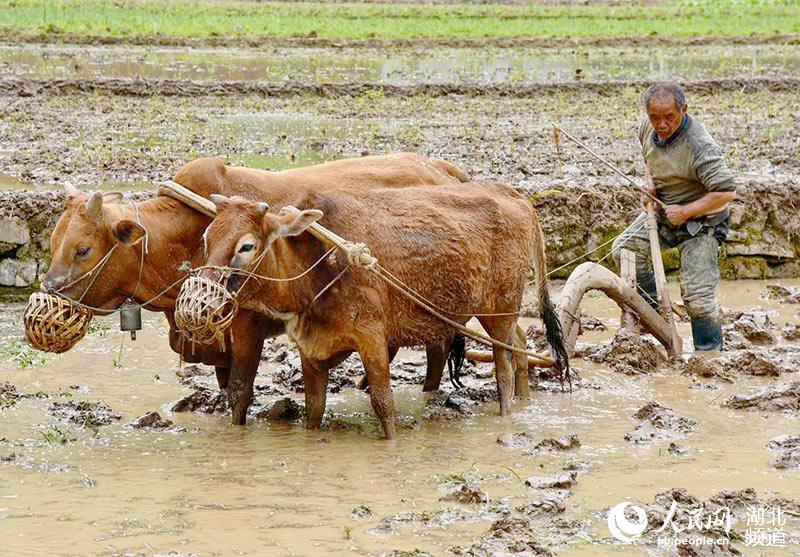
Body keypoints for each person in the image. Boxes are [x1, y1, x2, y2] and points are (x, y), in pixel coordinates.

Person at [612, 82, 737, 351]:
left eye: (669, 117)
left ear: (684, 110)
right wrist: (650, 186)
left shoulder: (700, 146)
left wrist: (686, 211)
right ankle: (651, 316)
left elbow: (726, 192)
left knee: (697, 298)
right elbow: (649, 159)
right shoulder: (647, 127)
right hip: (665, 211)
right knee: (625, 249)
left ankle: (709, 355)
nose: (662, 124)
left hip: (703, 221)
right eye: (655, 117)